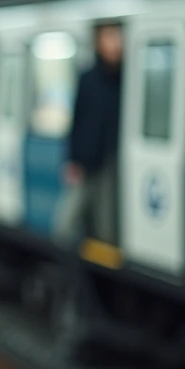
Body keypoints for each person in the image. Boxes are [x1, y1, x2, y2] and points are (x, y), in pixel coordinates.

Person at [54, 22, 123, 246]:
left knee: (106, 228)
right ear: (98, 42)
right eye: (109, 38)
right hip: (84, 163)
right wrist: (72, 159)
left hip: (110, 164)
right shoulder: (88, 78)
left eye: (118, 38)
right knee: (65, 224)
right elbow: (76, 122)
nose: (115, 44)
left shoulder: (126, 81)